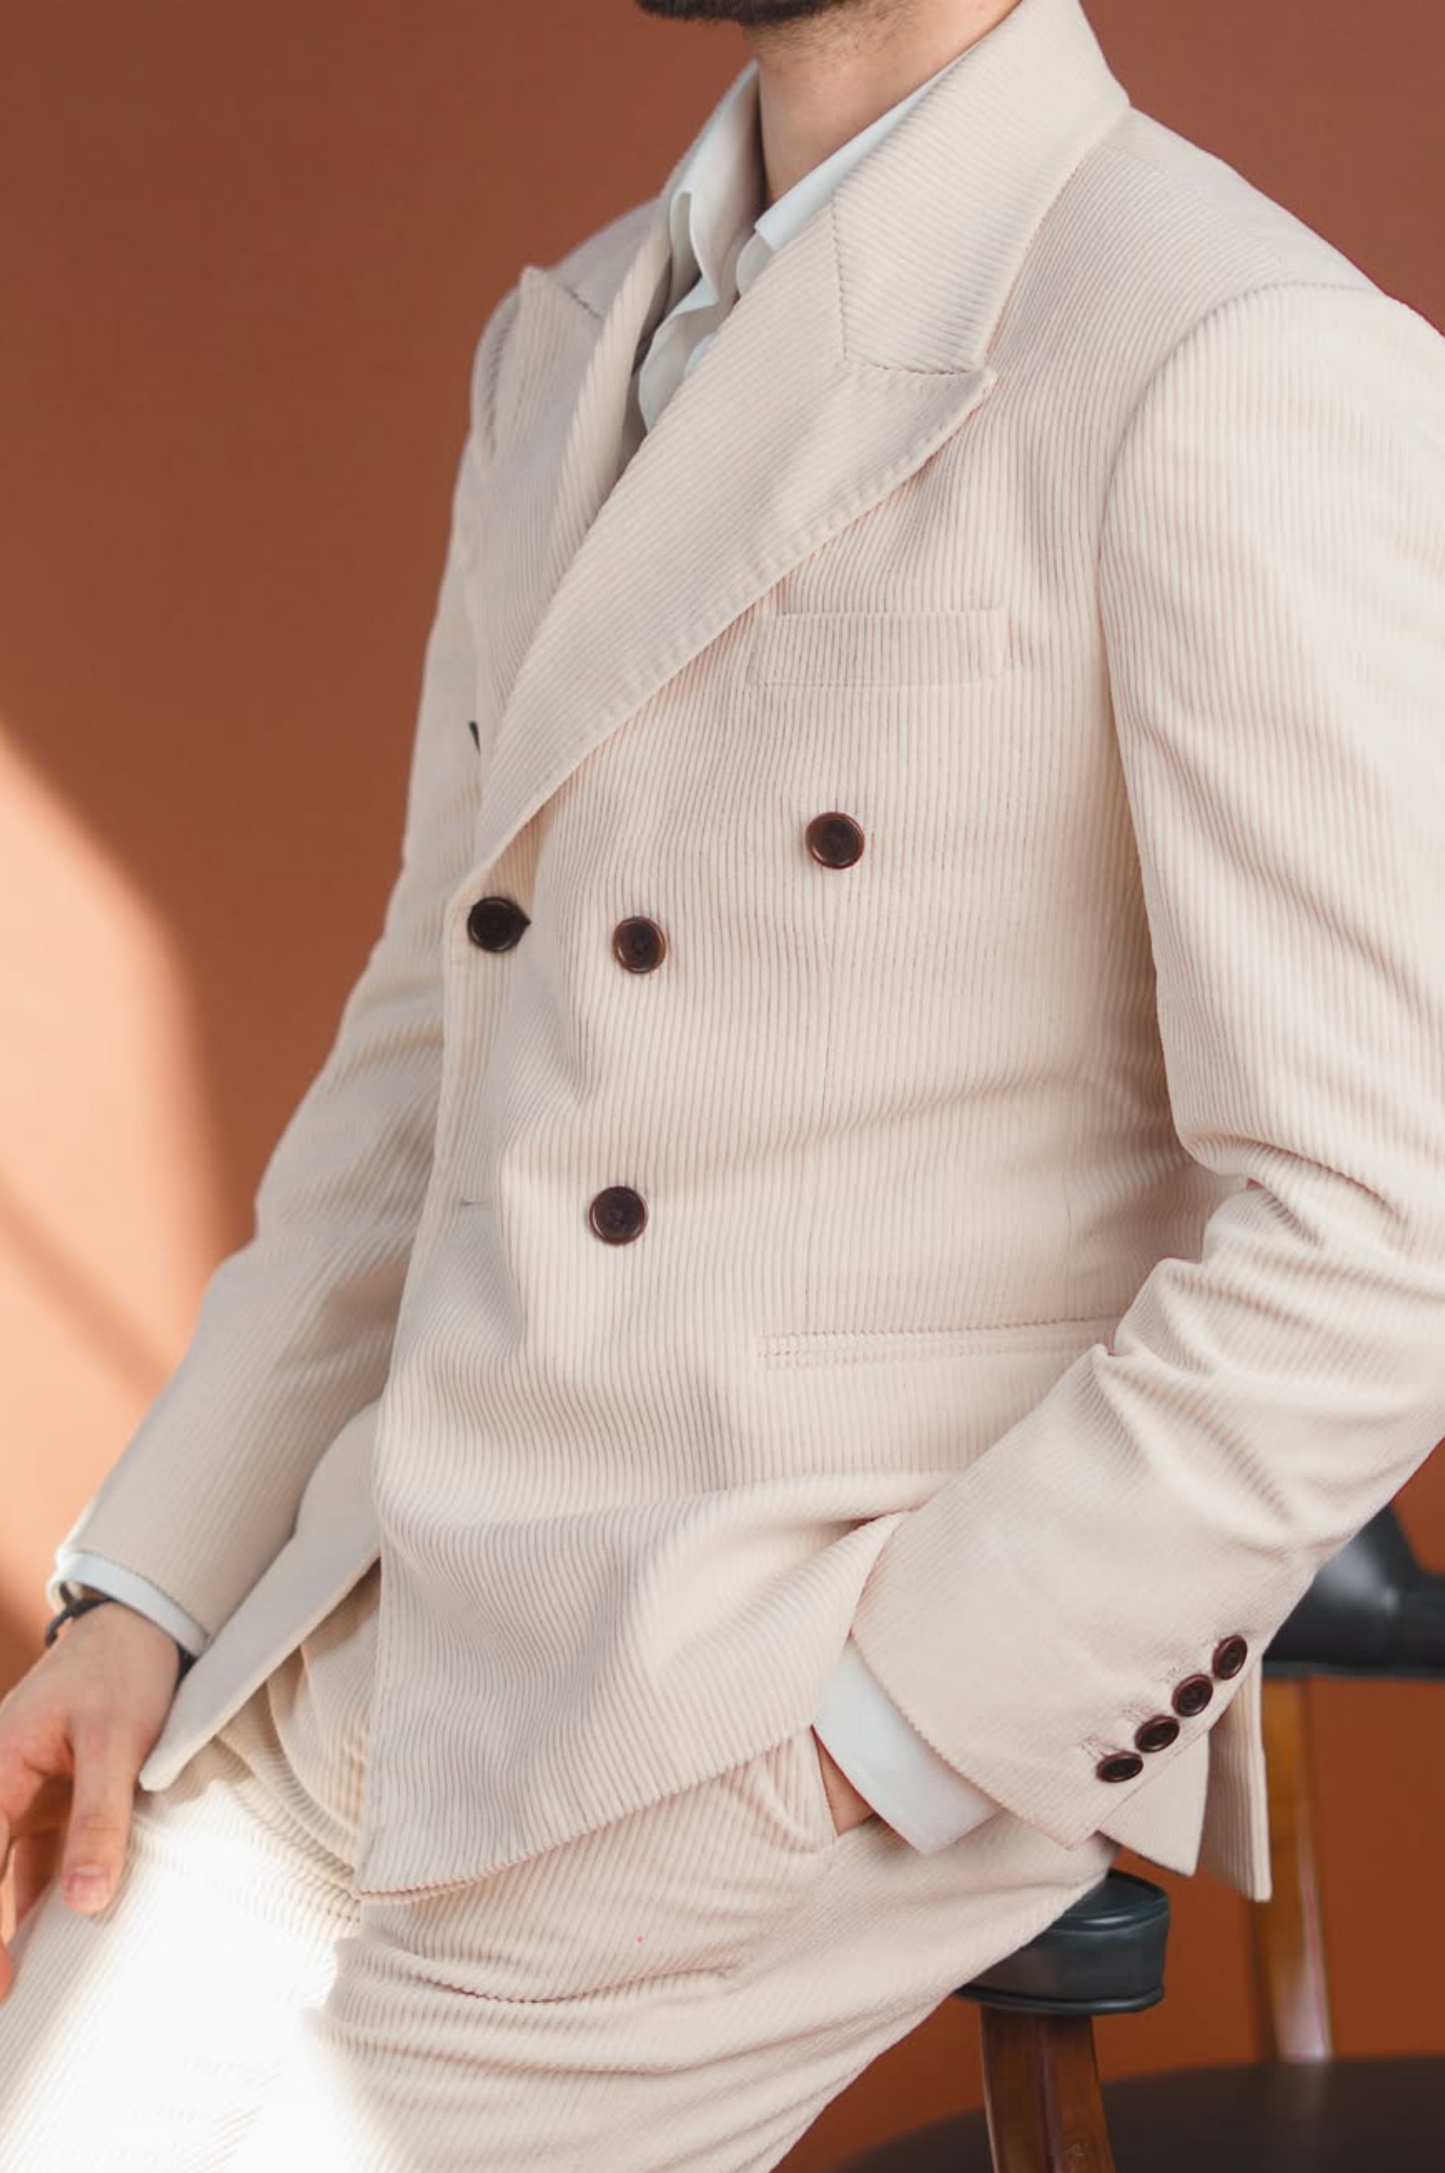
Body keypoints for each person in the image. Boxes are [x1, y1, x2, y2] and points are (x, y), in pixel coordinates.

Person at [3, 0, 1443, 2163]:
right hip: (356, 1633)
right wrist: (151, 1592)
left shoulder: (1224, 350)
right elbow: (434, 1043)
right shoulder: (573, 333)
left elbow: (1388, 1220)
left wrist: (891, 1727)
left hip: (737, 1703)